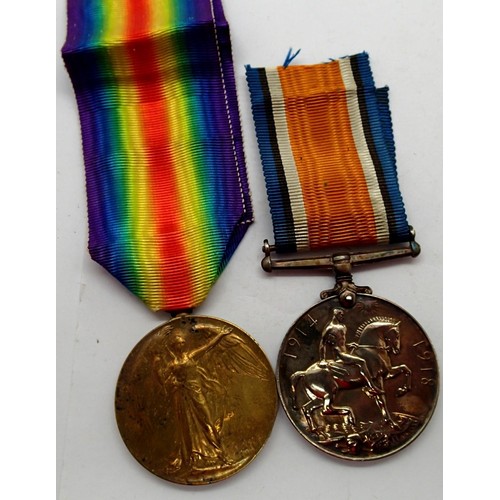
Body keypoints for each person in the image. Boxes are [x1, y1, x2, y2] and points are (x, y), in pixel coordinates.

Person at [319, 308, 382, 395]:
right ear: (336, 315)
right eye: (341, 315)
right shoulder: (330, 328)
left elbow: (341, 343)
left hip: (345, 352)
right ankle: (372, 387)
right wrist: (322, 359)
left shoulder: (343, 327)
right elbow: (322, 344)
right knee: (362, 362)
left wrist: (349, 345)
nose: (342, 317)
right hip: (340, 355)